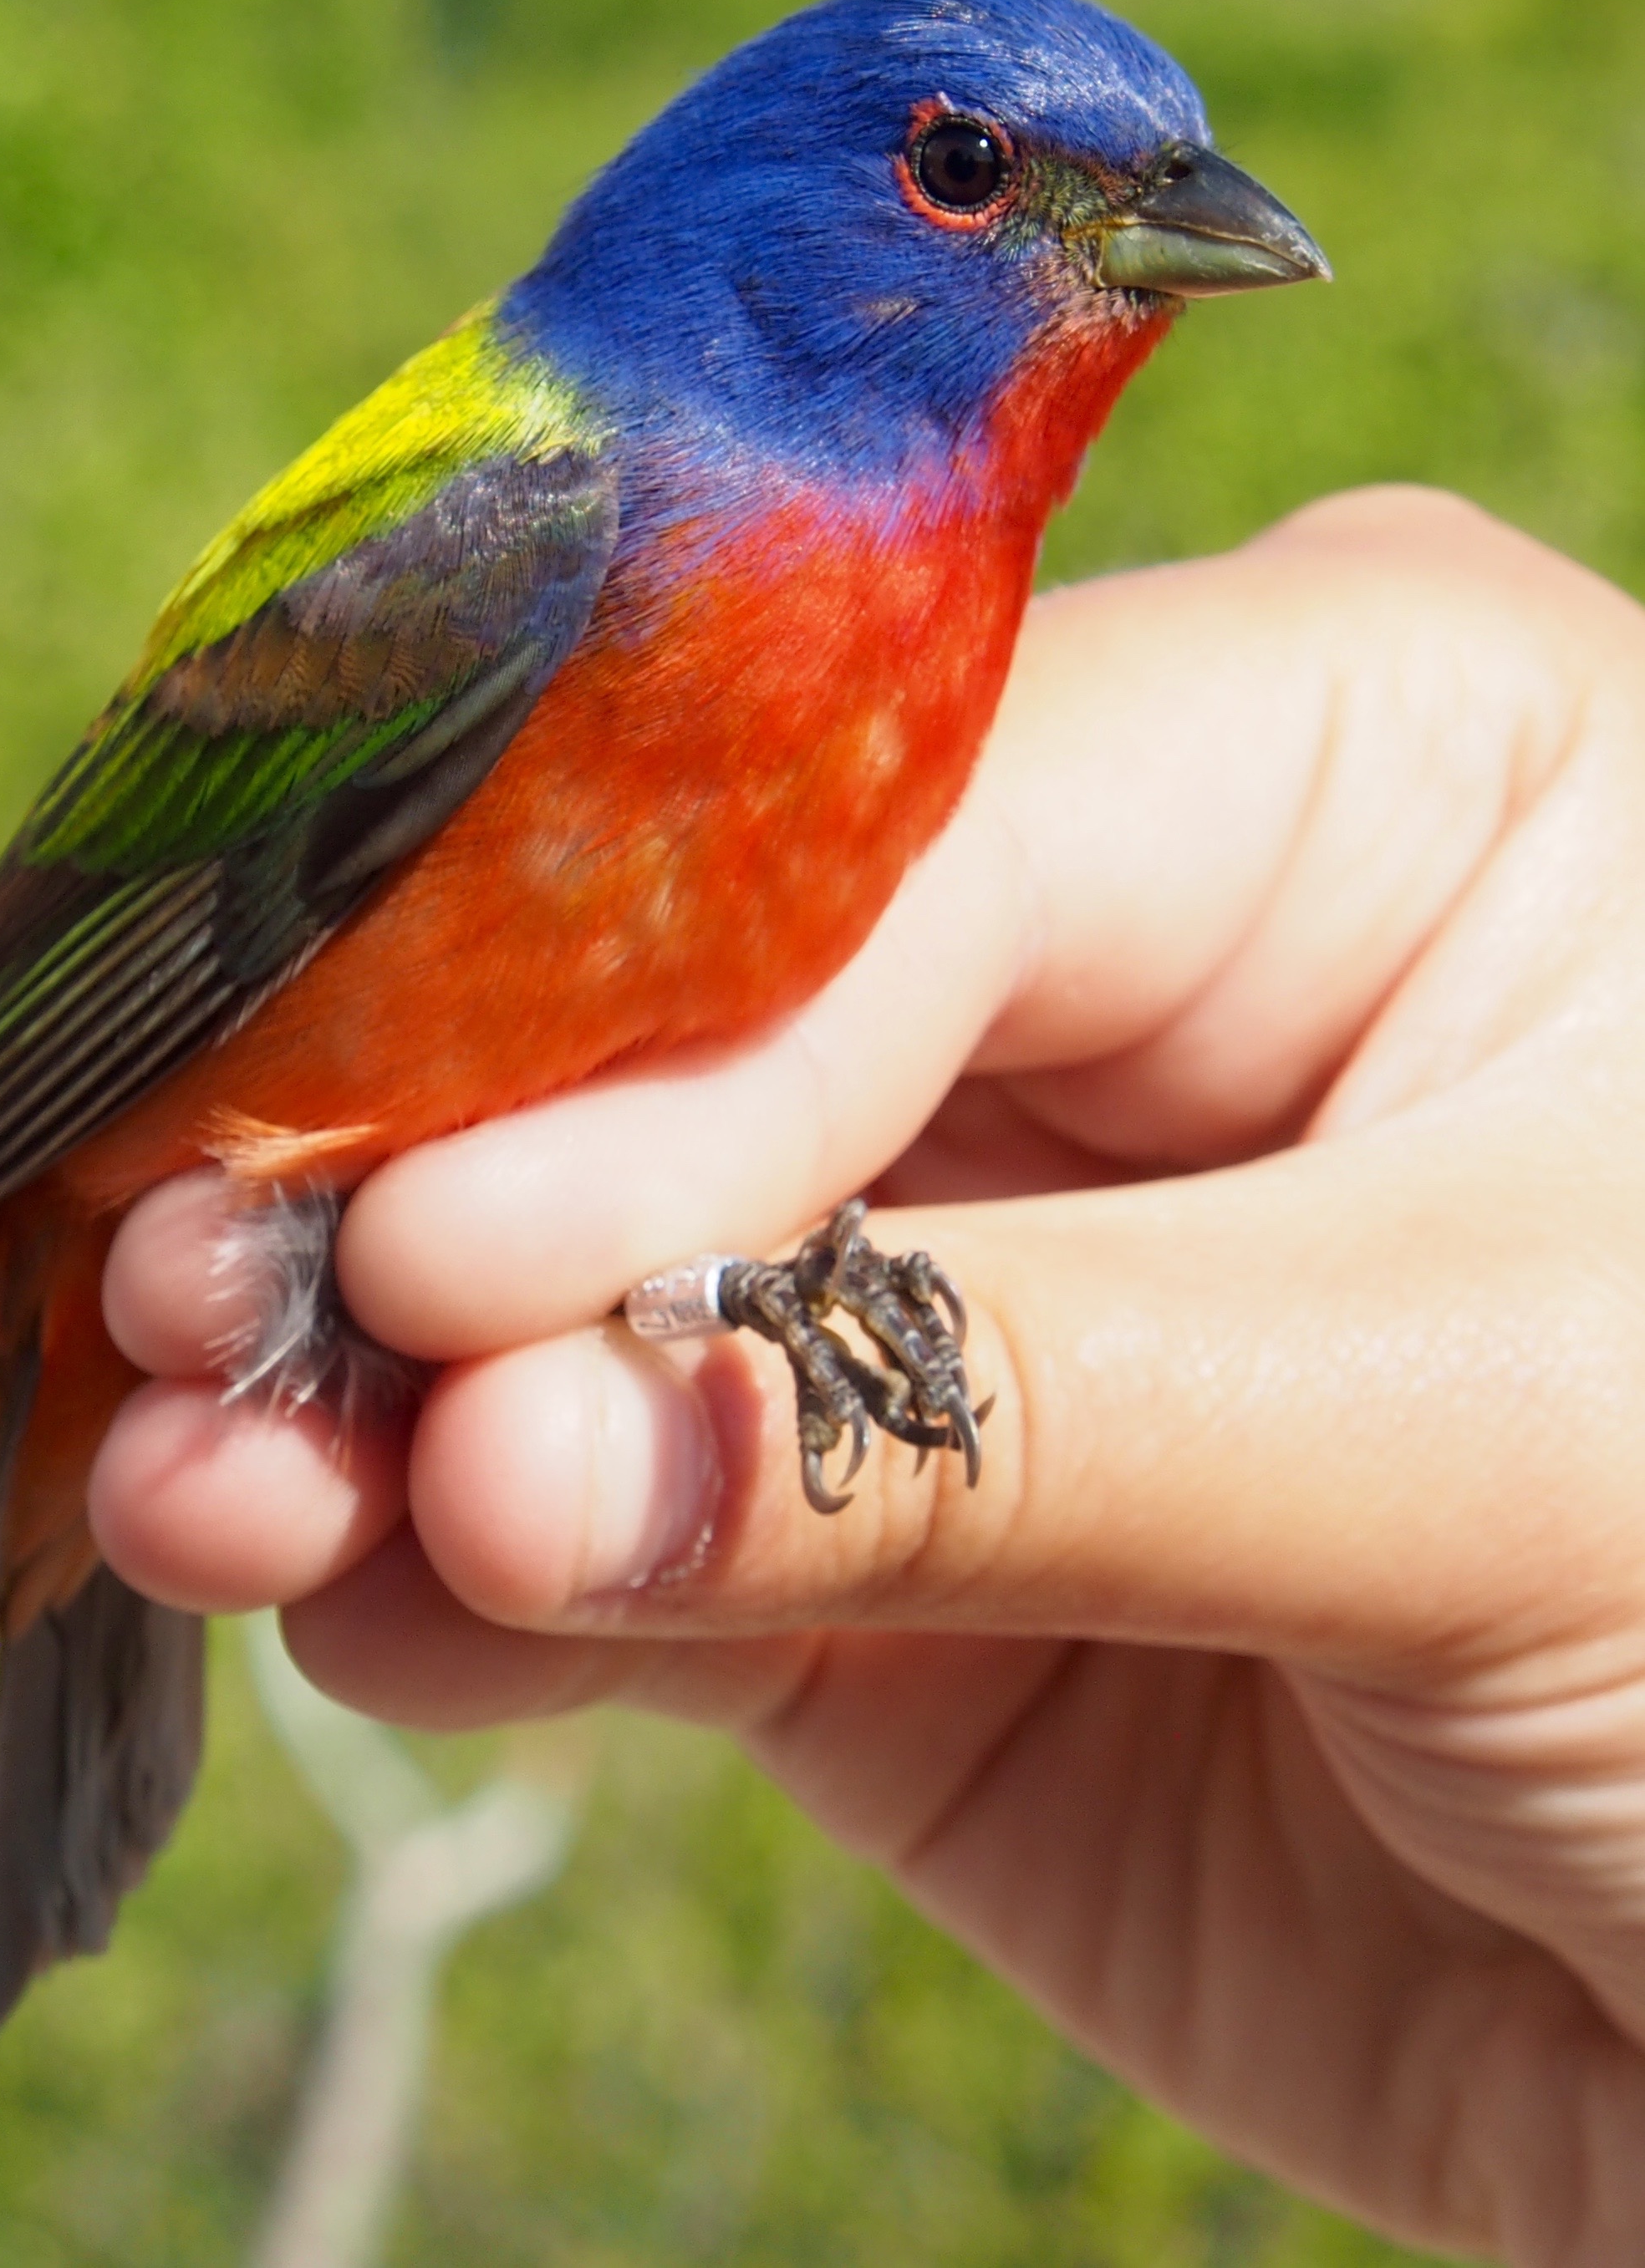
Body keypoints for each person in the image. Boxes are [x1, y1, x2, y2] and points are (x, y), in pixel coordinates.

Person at [89, 484, 1645, 2264]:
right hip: (248, 1154)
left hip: (441, 1245)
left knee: (512, 1281)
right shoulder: (517, 526)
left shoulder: (881, 596)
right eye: (978, 180)